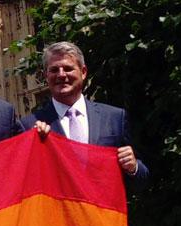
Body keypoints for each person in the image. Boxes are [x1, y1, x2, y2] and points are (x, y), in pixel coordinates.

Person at [22, 41, 149, 187]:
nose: (61, 75)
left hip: (104, 209)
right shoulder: (29, 126)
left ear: (83, 72)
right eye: (54, 70)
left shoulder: (114, 118)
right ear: (46, 76)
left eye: (68, 68)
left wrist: (133, 168)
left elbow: (143, 179)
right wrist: (32, 146)